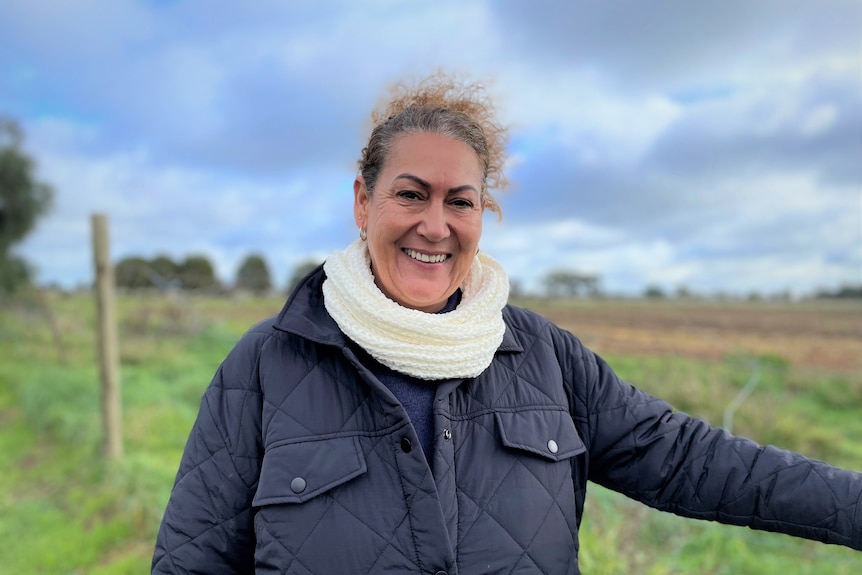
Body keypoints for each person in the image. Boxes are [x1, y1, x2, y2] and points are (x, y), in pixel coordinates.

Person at [152, 73, 861, 574]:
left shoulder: (545, 357)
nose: (435, 224)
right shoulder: (265, 367)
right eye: (411, 194)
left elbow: (689, 459)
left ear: (481, 215)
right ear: (363, 203)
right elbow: (192, 560)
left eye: (460, 201)